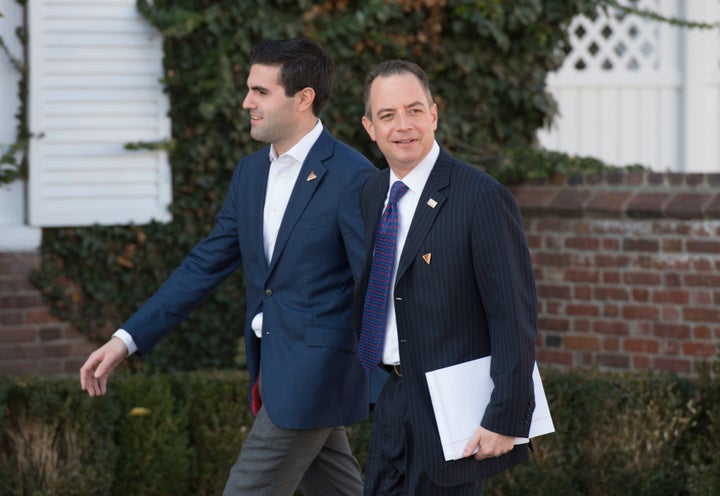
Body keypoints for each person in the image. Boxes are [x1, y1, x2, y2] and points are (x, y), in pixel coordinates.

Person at [79, 38, 377, 496]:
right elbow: (204, 265)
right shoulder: (250, 173)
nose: (246, 102)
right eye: (248, 89)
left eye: (260, 91)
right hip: (276, 370)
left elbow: (373, 283)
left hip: (313, 378)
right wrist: (126, 340)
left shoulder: (353, 175)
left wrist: (391, 378)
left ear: (304, 98)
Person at [356, 59, 538, 495]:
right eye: (387, 115)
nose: (403, 125)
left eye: (414, 110)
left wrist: (504, 416)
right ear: (369, 127)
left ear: (434, 114)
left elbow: (512, 314)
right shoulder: (371, 193)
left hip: (452, 410)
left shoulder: (482, 197)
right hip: (391, 401)